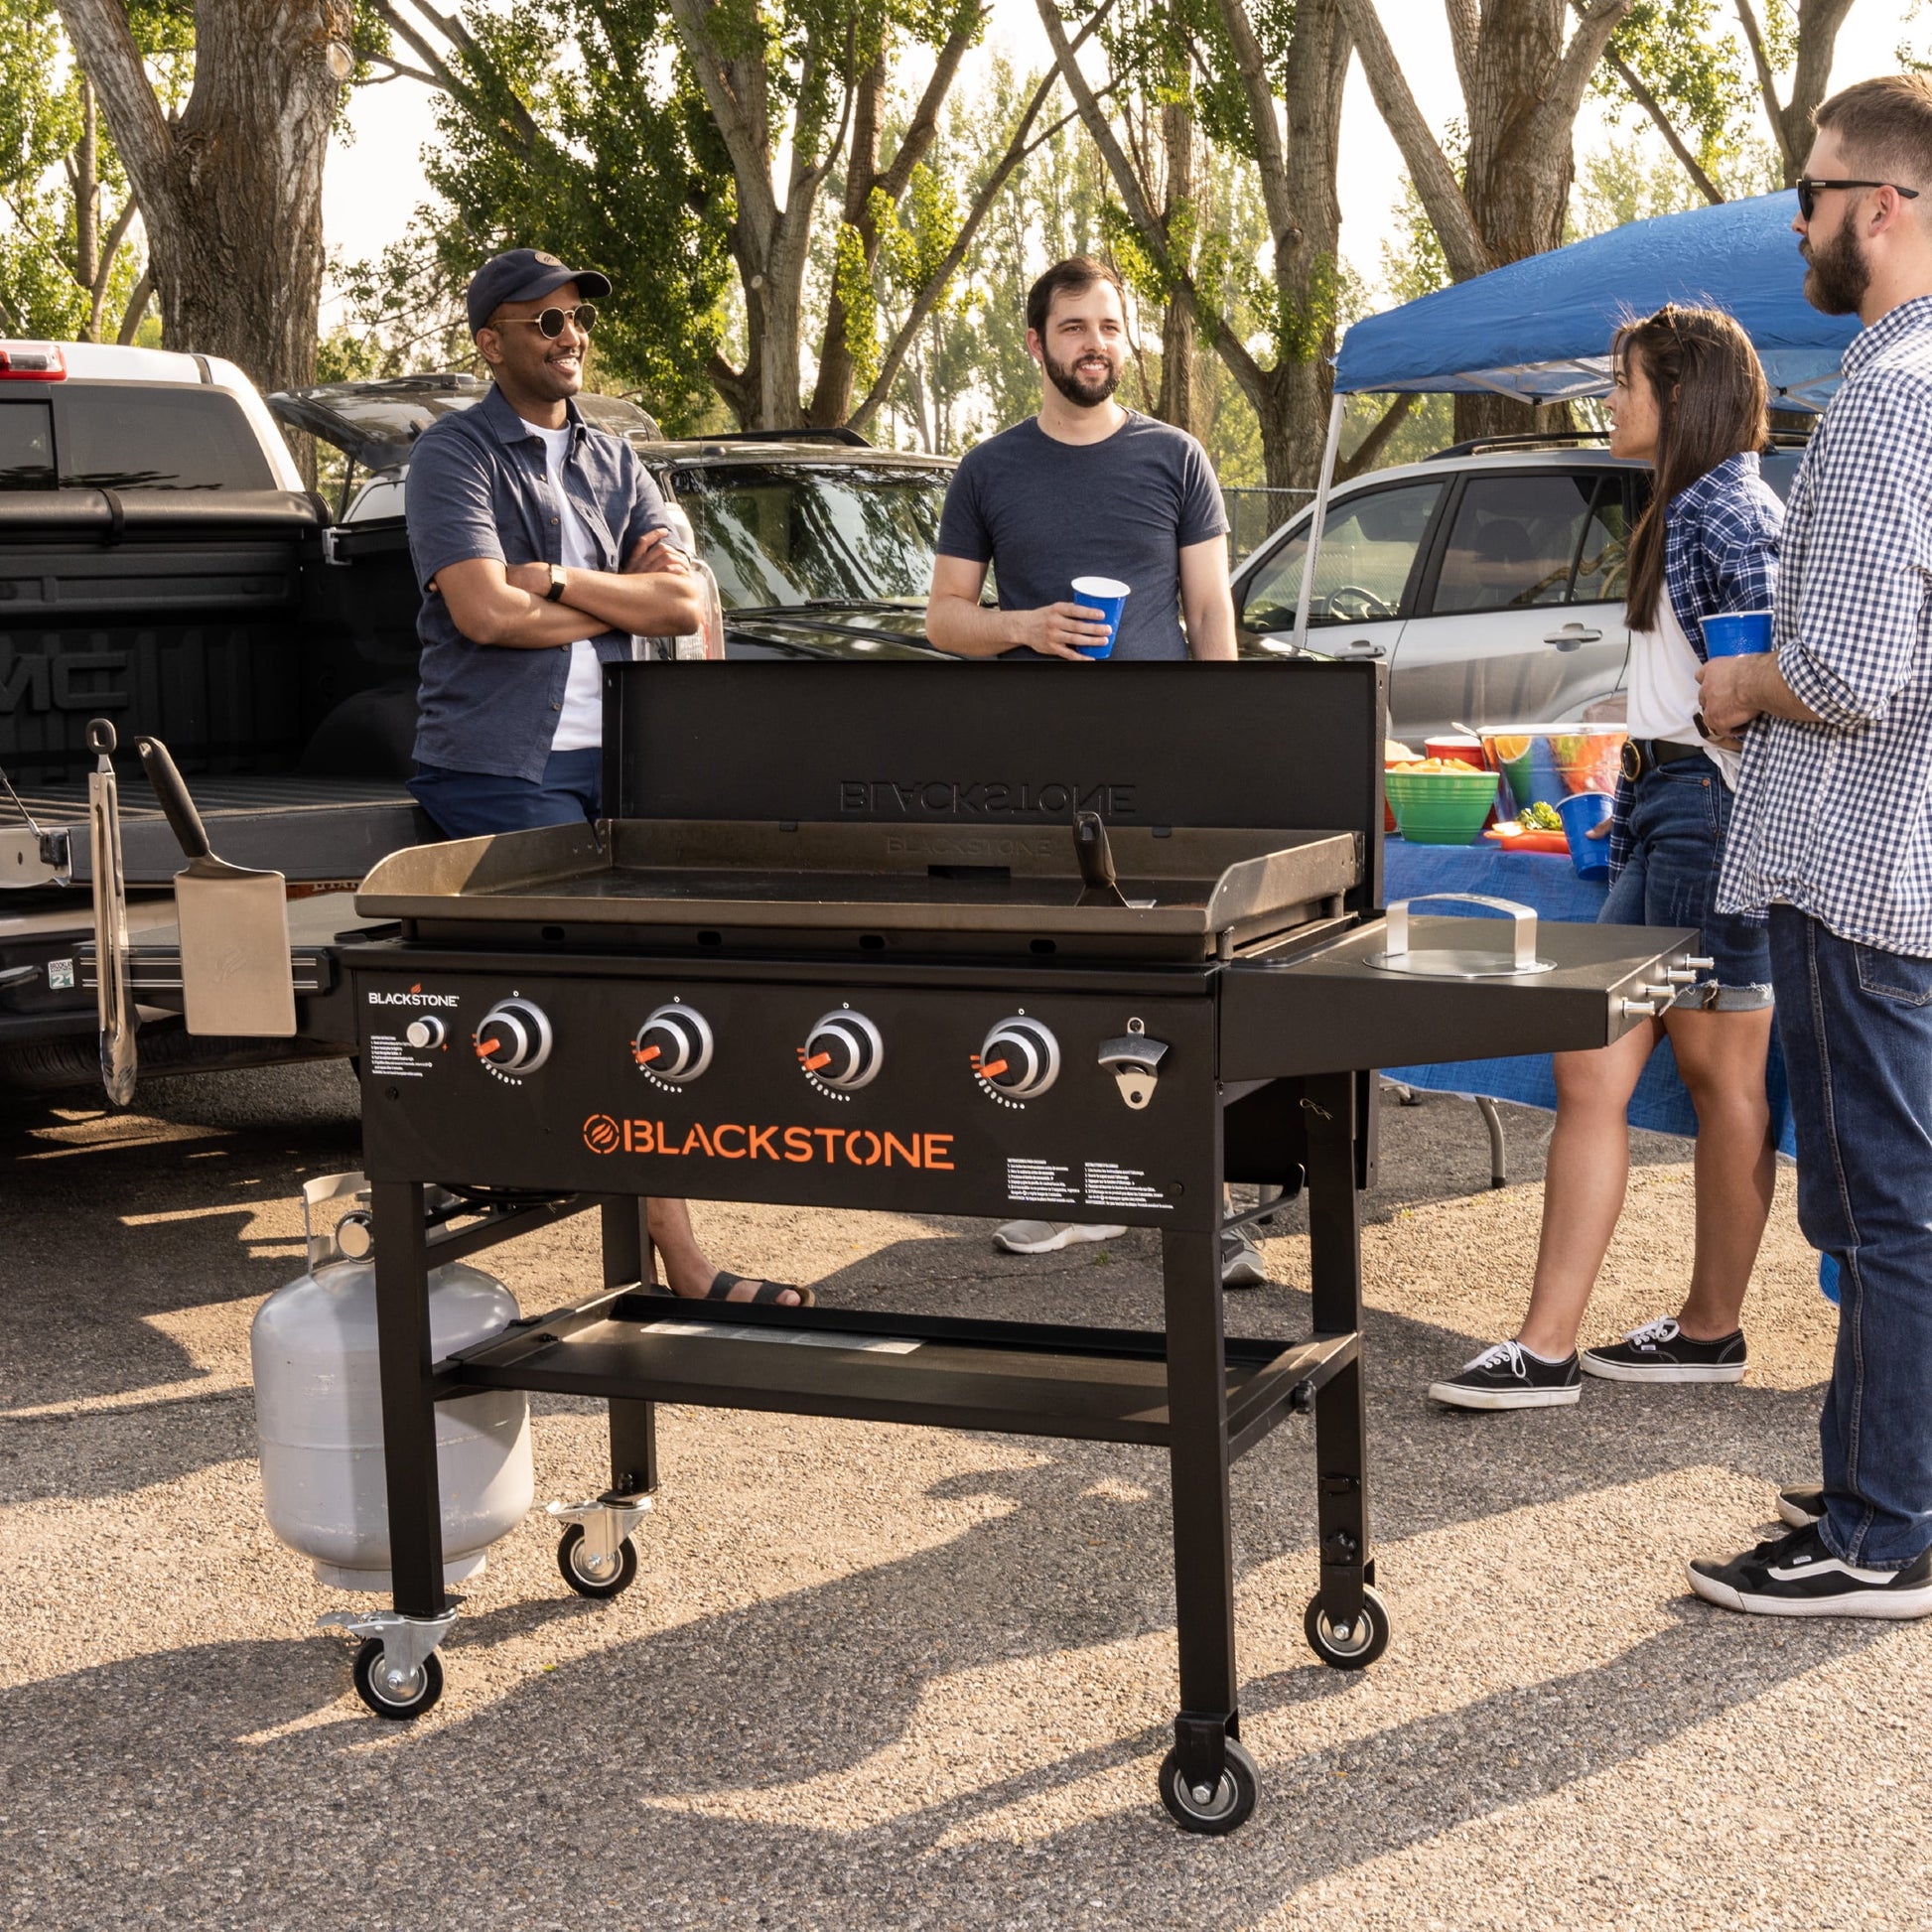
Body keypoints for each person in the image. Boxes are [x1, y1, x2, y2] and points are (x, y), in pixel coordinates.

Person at [404, 245, 810, 1310]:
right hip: (499, 766)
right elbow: (482, 614)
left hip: (617, 765)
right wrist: (600, 595)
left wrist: (551, 579)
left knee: (660, 982)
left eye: (576, 317)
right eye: (542, 320)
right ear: (492, 340)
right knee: (621, 979)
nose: (568, 335)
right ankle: (683, 1263)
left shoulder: (614, 459)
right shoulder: (452, 459)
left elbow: (681, 606)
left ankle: (639, 1229)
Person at [1429, 304, 1783, 1411]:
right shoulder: (1699, 504)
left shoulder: (1719, 512)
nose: (1608, 403)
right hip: (1676, 805)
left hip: (1700, 812)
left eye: (1622, 383)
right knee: (1694, 1077)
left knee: (1629, 1069)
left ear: (1677, 394)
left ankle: (1553, 1347)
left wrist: (1712, 735)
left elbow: (1764, 672)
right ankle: (1698, 1329)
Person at [1692, 74, 1932, 1616]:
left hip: (1852, 865)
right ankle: (1885, 1471)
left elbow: (1844, 673)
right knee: (1896, 1200)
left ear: (1884, 205)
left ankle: (1875, 1532)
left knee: (1878, 1208)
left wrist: (1735, 679)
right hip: (1900, 859)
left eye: (1812, 188)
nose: (1797, 218)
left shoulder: (1888, 397)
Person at [922, 255, 1264, 1283]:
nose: (1094, 345)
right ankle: (1077, 1186)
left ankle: (1206, 1207)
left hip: (1164, 763)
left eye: (1109, 327)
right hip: (1034, 765)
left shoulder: (1175, 456)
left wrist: (1228, 739)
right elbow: (940, 619)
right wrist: (1023, 624)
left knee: (1187, 978)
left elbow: (1211, 613)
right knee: (1056, 977)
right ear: (1036, 344)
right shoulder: (987, 469)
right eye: (1073, 328)